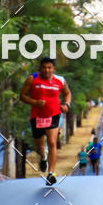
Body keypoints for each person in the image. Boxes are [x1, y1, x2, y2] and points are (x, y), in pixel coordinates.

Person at [19, 57, 71, 186]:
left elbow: (67, 93)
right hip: (37, 117)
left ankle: (51, 173)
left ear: (53, 69)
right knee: (40, 147)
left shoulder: (60, 80)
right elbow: (22, 96)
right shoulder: (32, 79)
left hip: (53, 115)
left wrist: (66, 105)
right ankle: (43, 157)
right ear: (40, 68)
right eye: (44, 67)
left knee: (52, 142)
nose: (46, 70)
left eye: (49, 68)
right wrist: (35, 102)